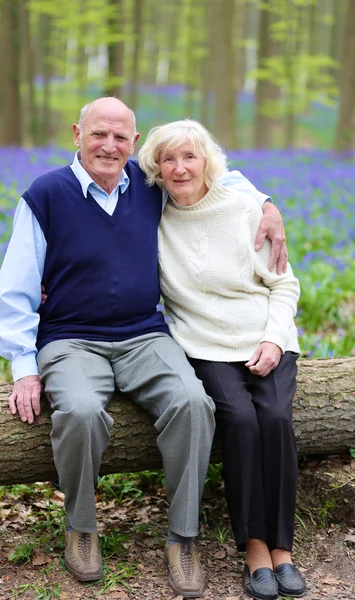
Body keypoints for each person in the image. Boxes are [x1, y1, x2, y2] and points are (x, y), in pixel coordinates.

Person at [0, 97, 287, 598]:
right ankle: (81, 528)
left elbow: (217, 177)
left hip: (144, 334)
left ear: (134, 143)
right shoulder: (44, 195)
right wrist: (24, 366)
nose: (109, 146)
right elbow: (15, 290)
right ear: (76, 134)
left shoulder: (150, 188)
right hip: (70, 340)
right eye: (98, 134)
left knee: (194, 404)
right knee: (82, 411)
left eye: (120, 137)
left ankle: (183, 537)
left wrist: (267, 204)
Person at [138, 119, 306, 600]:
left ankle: (283, 551)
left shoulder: (245, 208)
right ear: (156, 168)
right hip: (203, 344)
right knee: (240, 422)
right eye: (168, 159)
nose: (179, 167)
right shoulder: (155, 221)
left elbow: (283, 283)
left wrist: (274, 339)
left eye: (190, 156)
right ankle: (255, 549)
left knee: (274, 417)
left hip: (264, 338)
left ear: (208, 161)